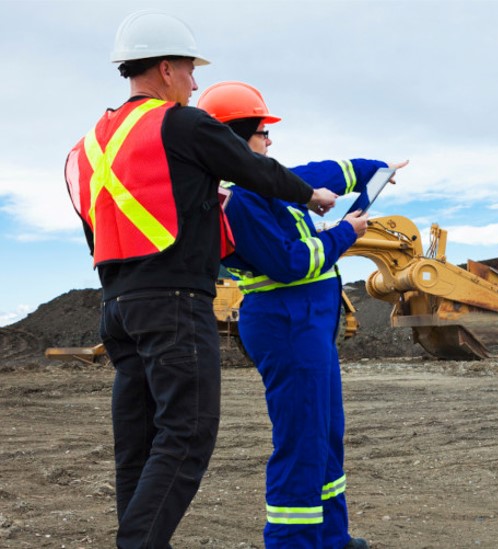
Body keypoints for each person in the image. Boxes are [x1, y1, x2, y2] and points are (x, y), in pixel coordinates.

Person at [63, 11, 337, 548]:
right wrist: (312, 195)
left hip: (117, 306)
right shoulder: (181, 123)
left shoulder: (85, 146)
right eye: (191, 71)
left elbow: (95, 221)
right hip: (174, 304)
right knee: (187, 436)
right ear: (166, 69)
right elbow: (253, 169)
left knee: (138, 447)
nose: (195, 83)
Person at [196, 81, 406, 549]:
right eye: (262, 133)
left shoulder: (261, 184)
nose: (270, 141)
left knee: (326, 434)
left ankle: (332, 537)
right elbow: (291, 263)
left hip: (306, 324)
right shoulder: (243, 200)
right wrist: (346, 233)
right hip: (285, 324)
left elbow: (321, 171)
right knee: (301, 440)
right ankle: (292, 543)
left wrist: (378, 169)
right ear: (236, 139)